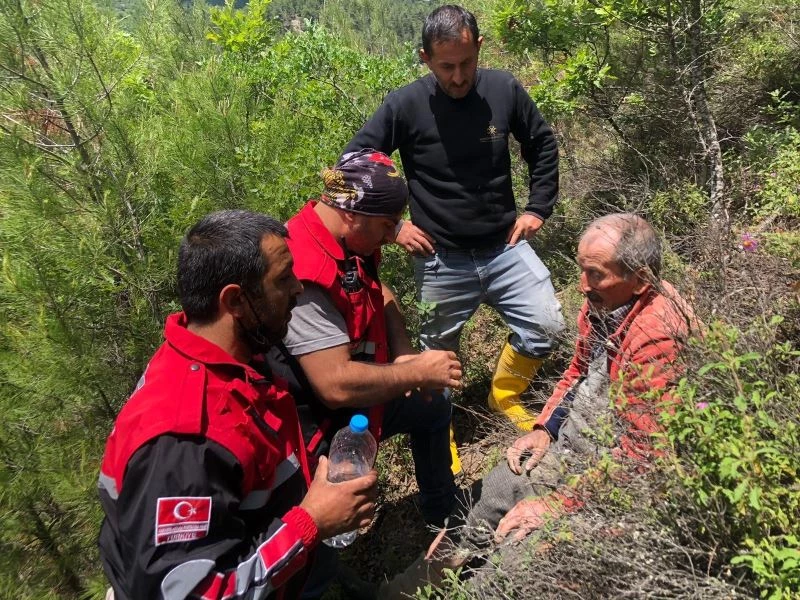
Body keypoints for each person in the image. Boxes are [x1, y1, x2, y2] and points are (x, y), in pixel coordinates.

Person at [381, 213, 697, 598]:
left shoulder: (657, 335)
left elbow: (642, 455)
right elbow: (578, 371)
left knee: (515, 568)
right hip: (570, 450)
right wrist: (544, 429)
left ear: (640, 278)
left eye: (596, 273)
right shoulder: (605, 302)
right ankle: (398, 594)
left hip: (610, 478)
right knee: (474, 507)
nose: (582, 286)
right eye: (581, 270)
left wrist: (556, 504)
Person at [97, 210, 377, 600]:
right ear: (235, 301)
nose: (298, 288)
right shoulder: (185, 442)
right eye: (282, 279)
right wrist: (311, 522)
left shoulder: (222, 353)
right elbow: (192, 593)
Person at [342, 5, 565, 472]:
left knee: (547, 325)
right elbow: (350, 167)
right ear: (425, 58)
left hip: (504, 245)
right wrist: (393, 226)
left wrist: (538, 208)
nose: (459, 76)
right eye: (447, 66)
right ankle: (440, 425)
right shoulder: (406, 104)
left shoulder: (503, 89)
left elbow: (541, 143)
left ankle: (505, 394)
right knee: (434, 358)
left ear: (478, 48)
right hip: (440, 257)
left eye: (467, 63)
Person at [270, 149, 461, 533]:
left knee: (432, 404)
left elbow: (380, 292)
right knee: (322, 537)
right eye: (387, 225)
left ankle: (444, 517)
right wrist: (416, 371)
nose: (391, 235)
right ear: (350, 213)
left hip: (364, 399)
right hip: (319, 428)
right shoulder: (305, 271)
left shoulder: (347, 237)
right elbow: (335, 385)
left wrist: (406, 356)